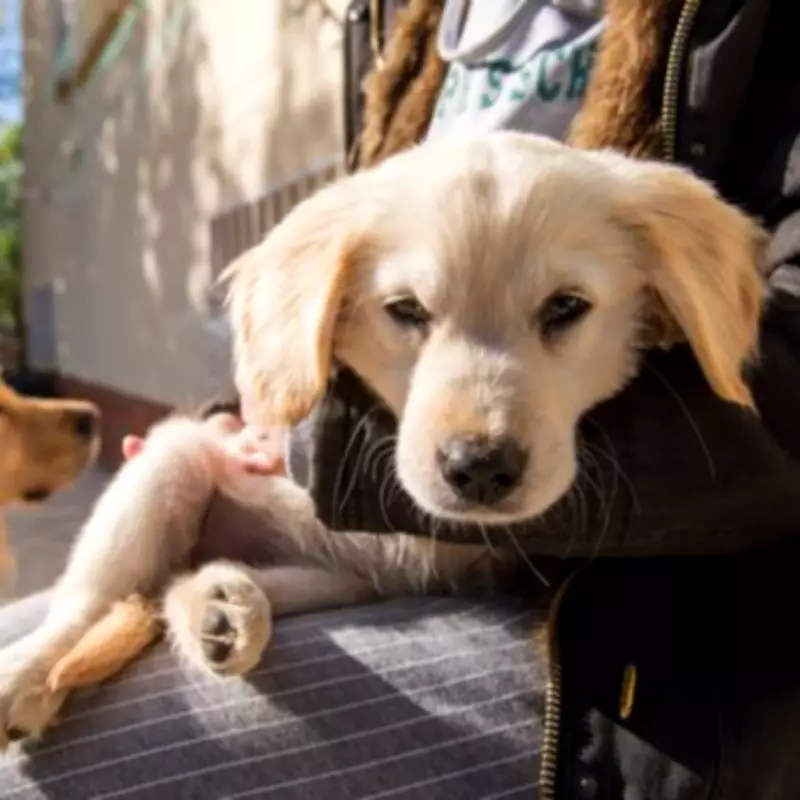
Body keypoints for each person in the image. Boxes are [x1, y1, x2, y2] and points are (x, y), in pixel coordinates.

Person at [2, 1, 799, 797]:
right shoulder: (407, 21)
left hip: (621, 645)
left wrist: (324, 450)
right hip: (327, 530)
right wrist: (245, 412)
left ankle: (207, 600)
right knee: (121, 529)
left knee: (31, 780)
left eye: (563, 310)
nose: (481, 437)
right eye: (411, 311)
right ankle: (80, 627)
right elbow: (304, 320)